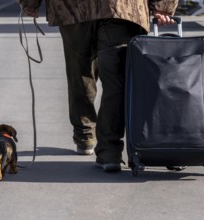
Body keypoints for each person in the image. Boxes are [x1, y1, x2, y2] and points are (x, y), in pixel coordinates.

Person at [18, 0, 179, 172]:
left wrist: (30, 3)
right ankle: (109, 152)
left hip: (73, 9)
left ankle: (84, 134)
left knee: (79, 73)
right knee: (116, 82)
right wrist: (163, 6)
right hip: (121, 8)